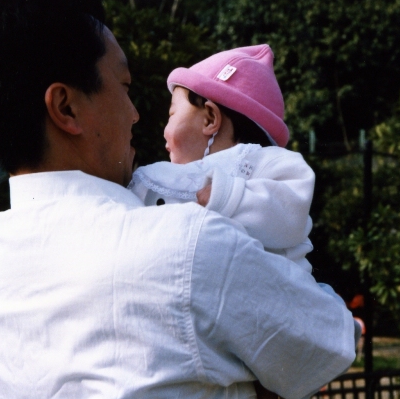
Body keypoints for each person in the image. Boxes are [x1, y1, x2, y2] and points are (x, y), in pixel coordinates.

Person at [0, 0, 358, 399]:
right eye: (124, 87)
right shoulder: (188, 246)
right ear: (66, 108)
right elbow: (331, 340)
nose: (136, 114)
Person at [129, 44, 315, 273]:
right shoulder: (171, 178)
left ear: (209, 119)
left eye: (172, 114)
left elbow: (292, 208)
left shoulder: (262, 160)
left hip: (283, 285)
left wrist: (230, 196)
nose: (164, 131)